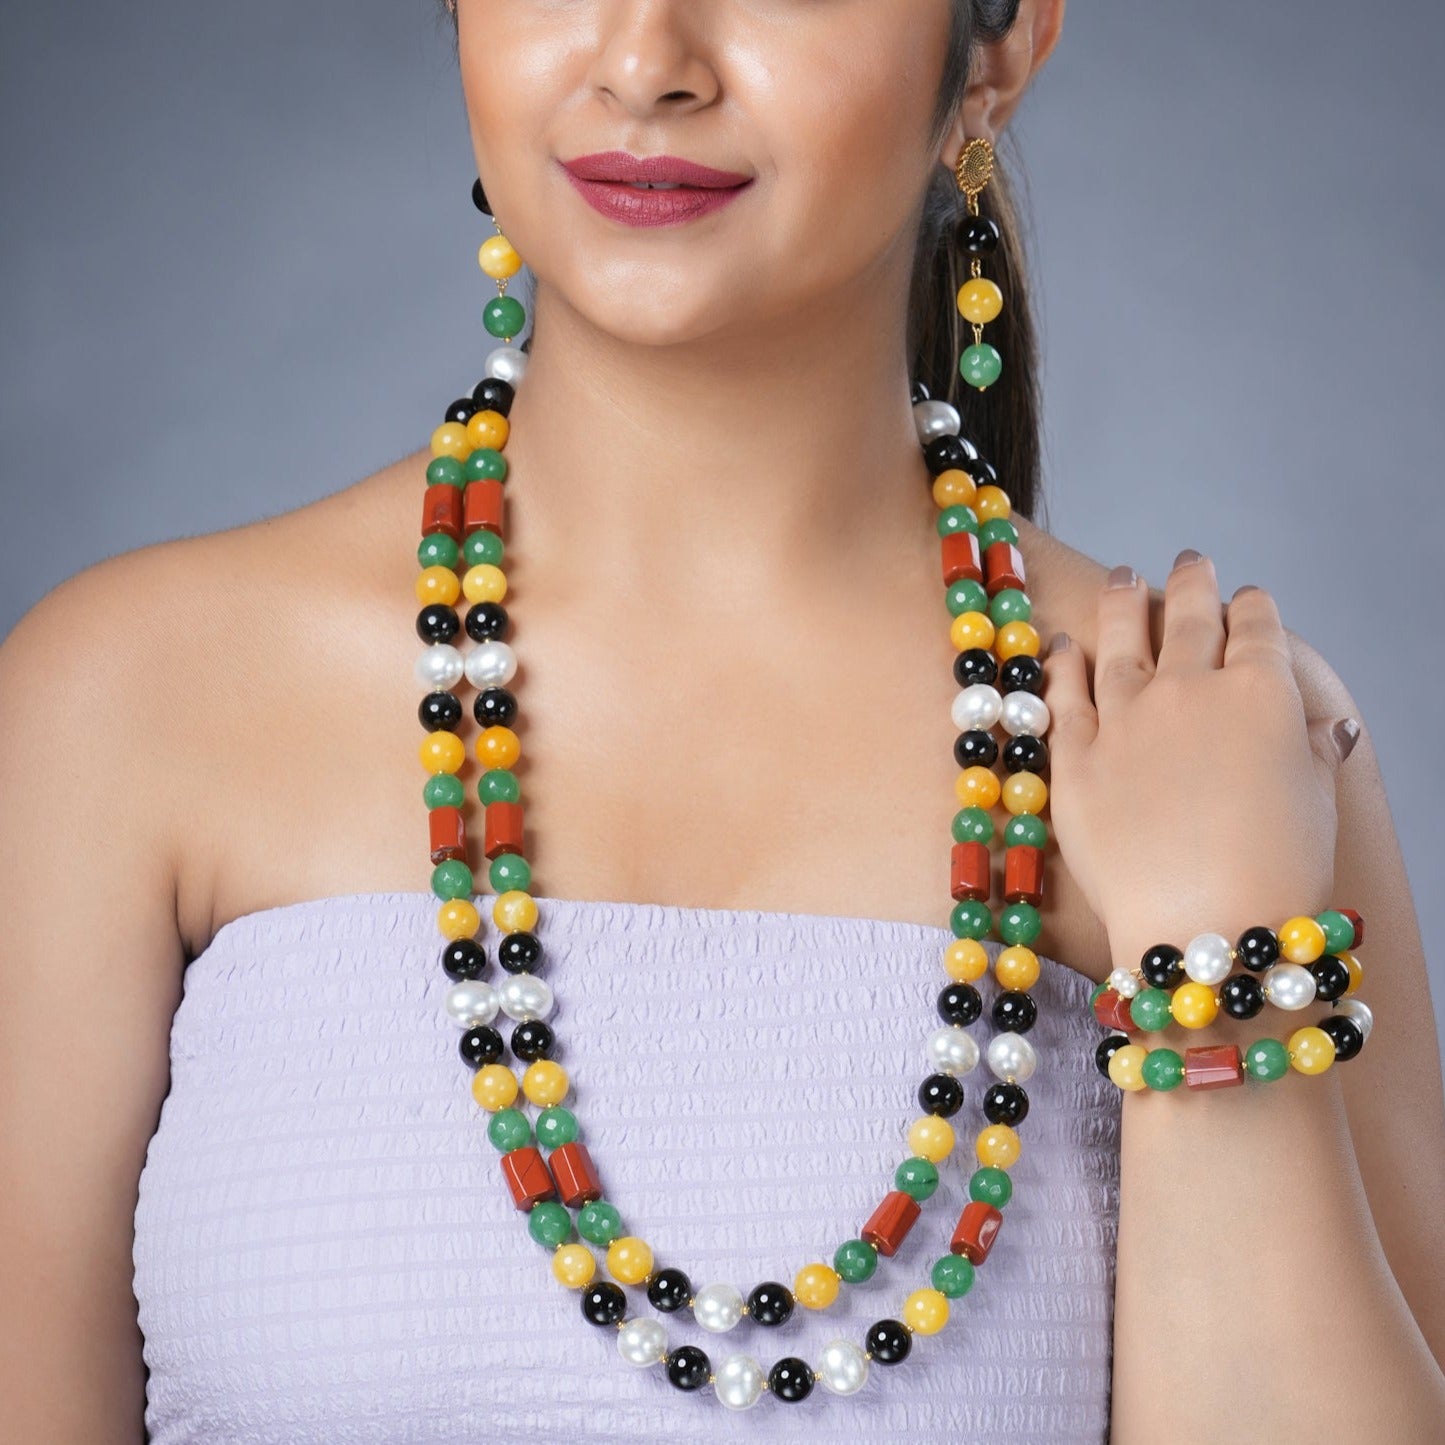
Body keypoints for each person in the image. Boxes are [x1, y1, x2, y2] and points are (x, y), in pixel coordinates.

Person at [3, 0, 1444, 1440]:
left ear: (996, 51)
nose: (644, 62)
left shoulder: (1218, 742)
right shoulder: (125, 703)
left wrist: (1211, 954)